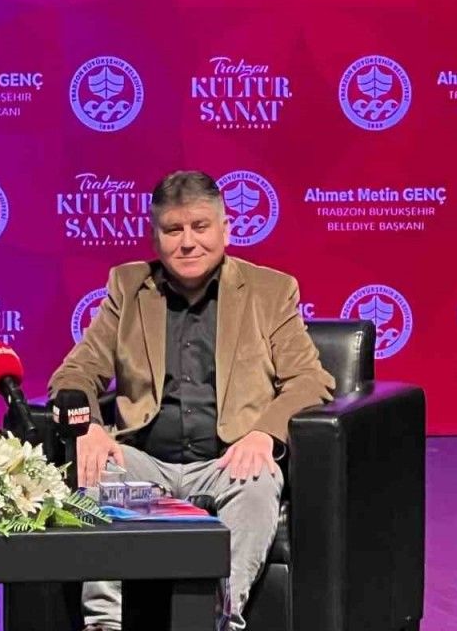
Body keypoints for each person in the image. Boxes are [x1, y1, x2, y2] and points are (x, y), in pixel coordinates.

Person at [48, 170, 334, 630]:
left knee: (259, 480)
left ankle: (222, 619)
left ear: (225, 229)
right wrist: (91, 428)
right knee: (97, 470)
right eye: (173, 229)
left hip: (227, 461)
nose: (187, 242)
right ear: (155, 237)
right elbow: (75, 372)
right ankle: (103, 625)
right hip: (144, 461)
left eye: (200, 227)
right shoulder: (128, 288)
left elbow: (310, 380)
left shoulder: (271, 291)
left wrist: (264, 434)